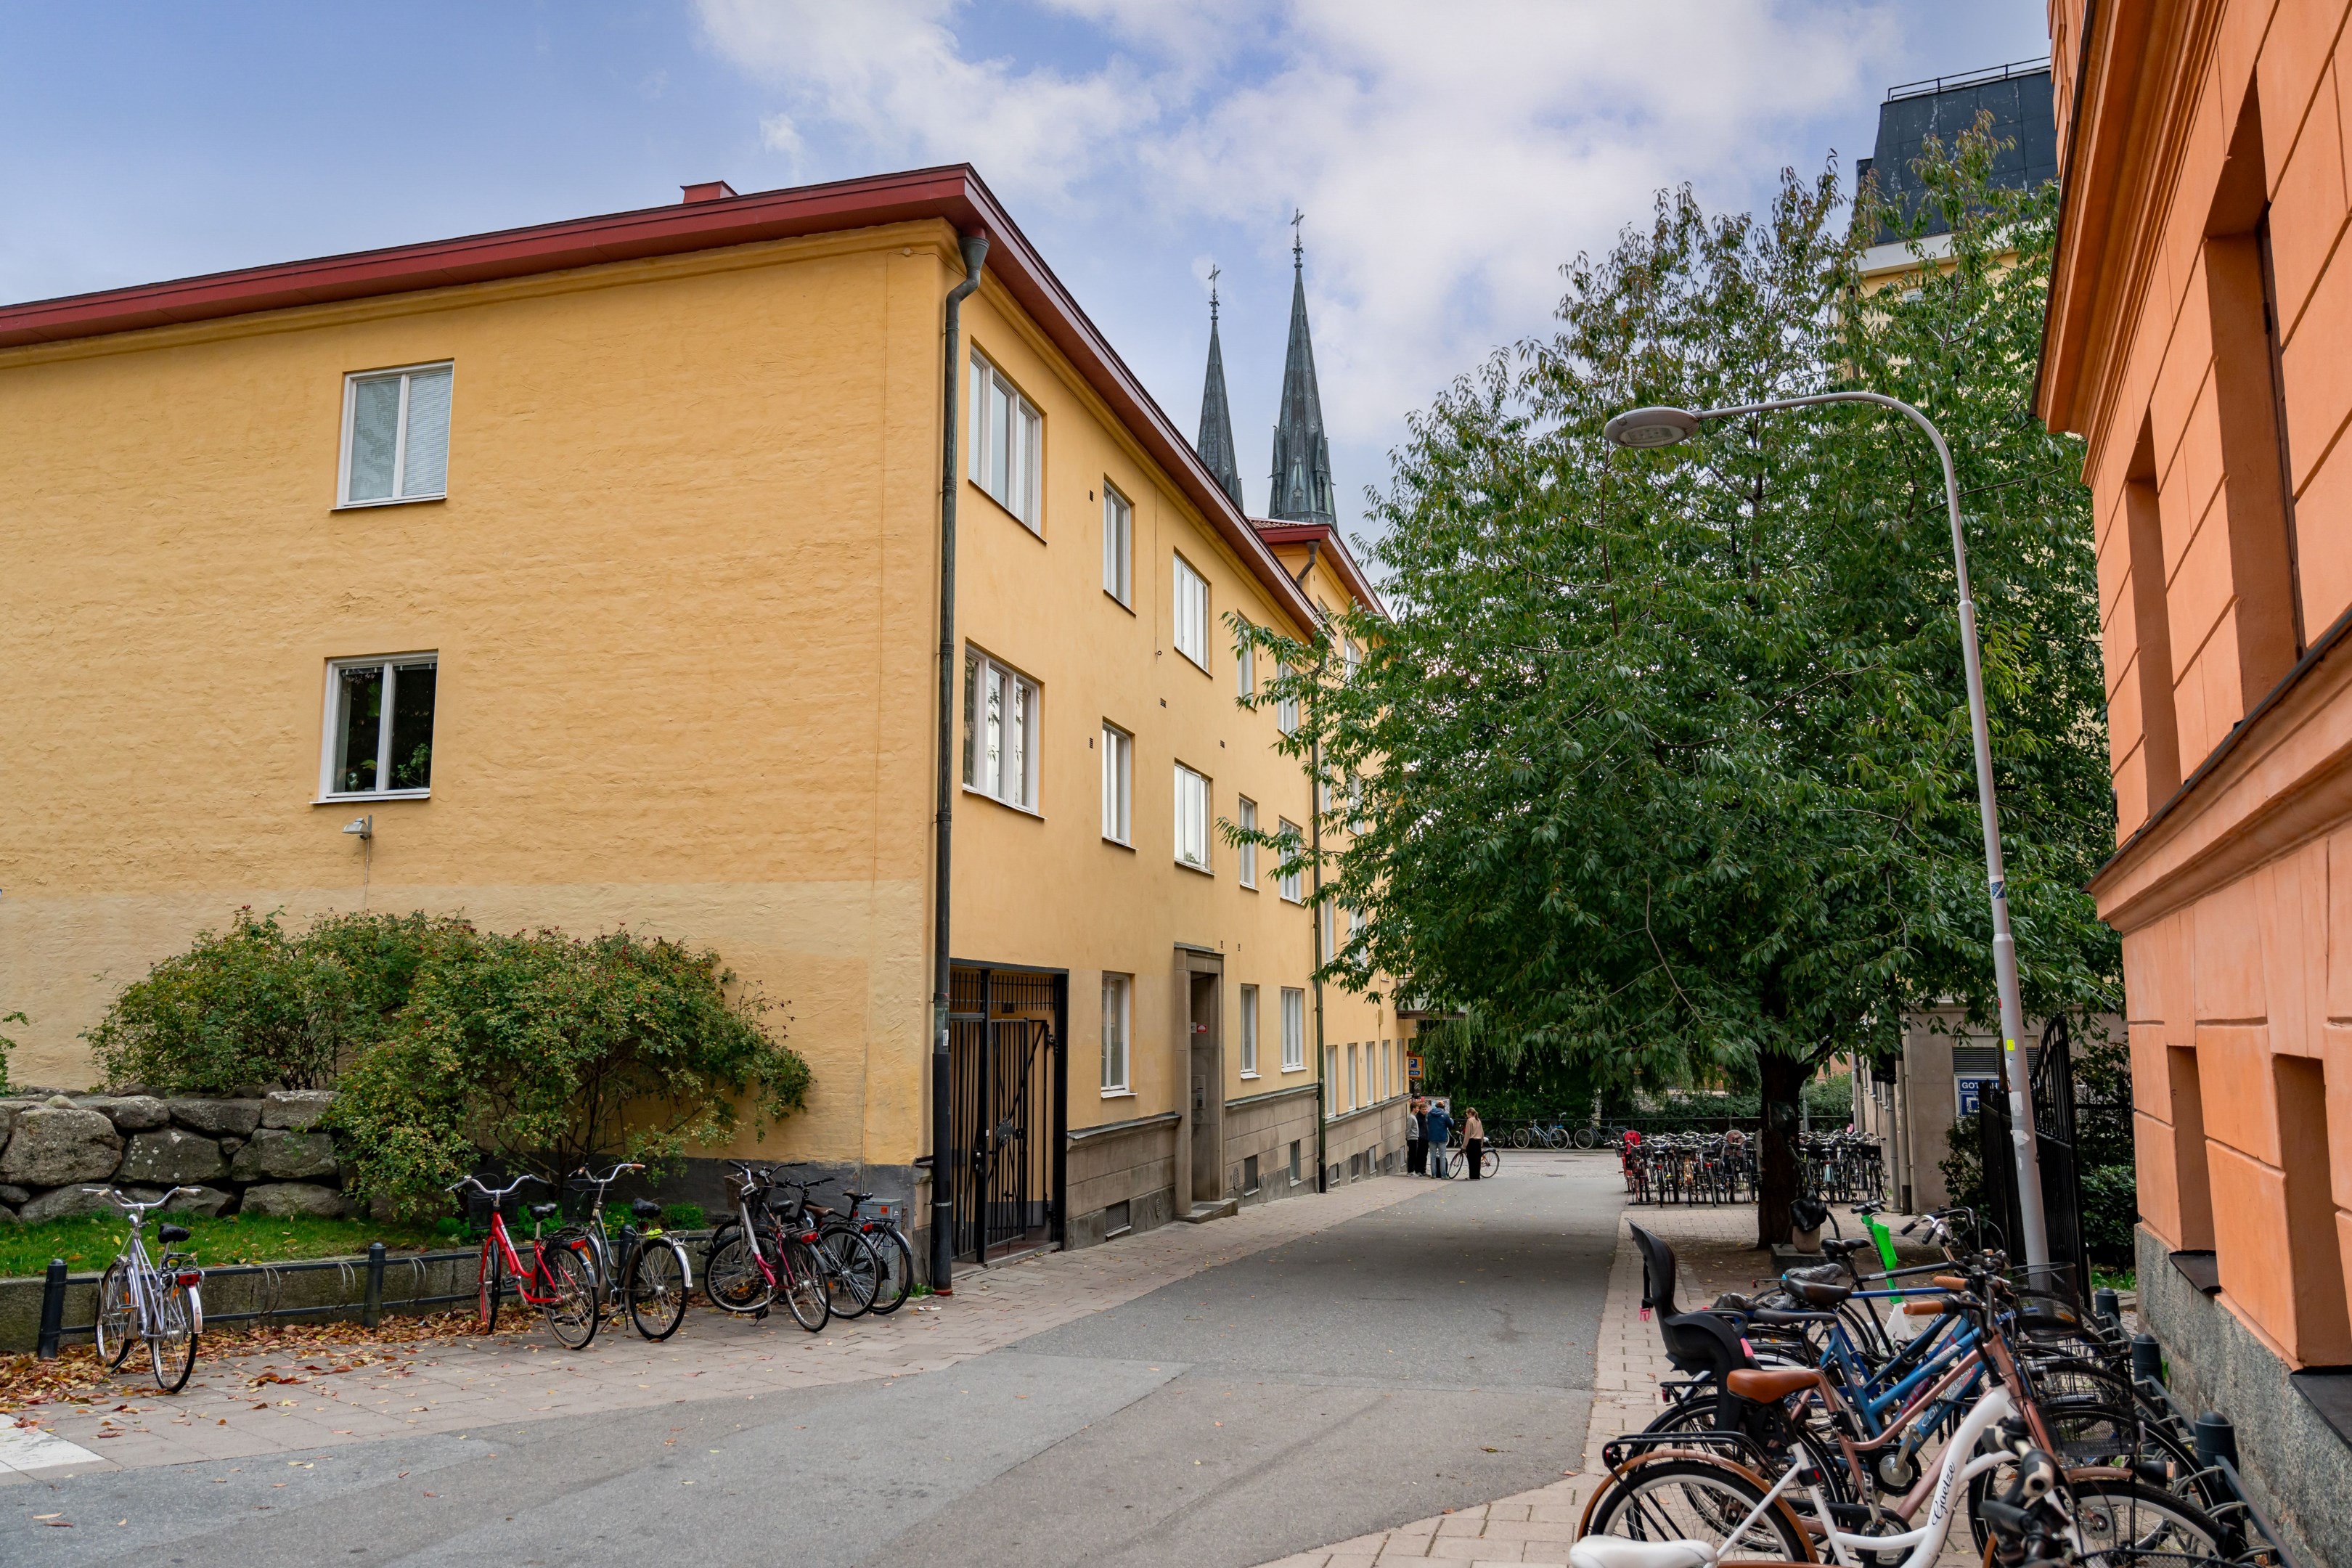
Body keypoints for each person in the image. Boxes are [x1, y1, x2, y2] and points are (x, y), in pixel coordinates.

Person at [1424, 1100, 1453, 1176]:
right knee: (1442, 1157)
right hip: (1442, 1138)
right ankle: (1443, 1175)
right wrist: (1451, 1121)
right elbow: (1450, 1125)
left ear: (1436, 1106)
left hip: (1432, 1137)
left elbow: (1427, 1123)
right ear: (1443, 1107)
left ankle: (1434, 1174)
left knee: (1432, 1156)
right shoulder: (1445, 1115)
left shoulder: (1429, 1114)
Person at [1406, 1097, 1426, 1176]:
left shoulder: (1413, 1117)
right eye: (1417, 1108)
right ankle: (1410, 1171)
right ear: (1413, 1108)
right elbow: (1408, 1129)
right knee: (1412, 1155)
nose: (1418, 1109)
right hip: (1412, 1138)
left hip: (1415, 1137)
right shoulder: (1411, 1117)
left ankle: (1412, 1171)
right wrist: (1408, 1138)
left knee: (1414, 1155)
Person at [1463, 1107, 1485, 1180]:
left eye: (1467, 1114)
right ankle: (1477, 1176)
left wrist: (1464, 1145)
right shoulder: (1478, 1120)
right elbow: (1482, 1133)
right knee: (1477, 1160)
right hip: (1478, 1142)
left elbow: (1467, 1134)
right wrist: (1481, 1142)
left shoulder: (1469, 1121)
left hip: (1471, 1142)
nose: (1467, 1115)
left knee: (1471, 1160)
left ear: (1470, 1113)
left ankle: (1472, 1176)